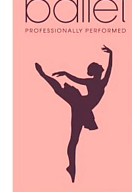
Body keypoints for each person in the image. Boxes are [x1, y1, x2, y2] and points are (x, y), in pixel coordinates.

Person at [34, 45, 113, 182]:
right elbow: (77, 79)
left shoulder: (99, 82)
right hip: (81, 104)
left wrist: (111, 54)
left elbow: (109, 68)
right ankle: (43, 75)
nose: (102, 68)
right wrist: (66, 73)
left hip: (82, 107)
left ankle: (71, 167)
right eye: (100, 67)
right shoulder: (97, 82)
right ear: (96, 71)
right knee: (59, 90)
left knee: (73, 140)